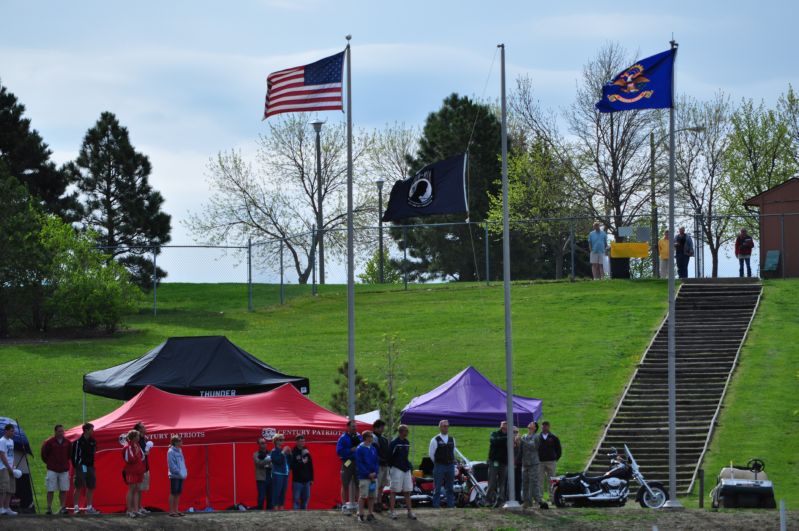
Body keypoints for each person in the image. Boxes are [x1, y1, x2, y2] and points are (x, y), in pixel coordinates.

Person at [387, 424, 417, 520]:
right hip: (396, 469)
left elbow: (405, 456)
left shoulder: (407, 442)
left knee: (407, 491)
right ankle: (392, 511)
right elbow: (389, 457)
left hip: (406, 469)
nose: (407, 432)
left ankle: (409, 512)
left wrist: (409, 467)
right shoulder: (394, 443)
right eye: (406, 431)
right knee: (394, 490)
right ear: (401, 432)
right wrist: (393, 467)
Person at [41, 424, 72, 515]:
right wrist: (50, 463)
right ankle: (49, 507)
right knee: (50, 489)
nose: (61, 433)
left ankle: (62, 507)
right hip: (52, 469)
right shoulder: (49, 442)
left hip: (64, 470)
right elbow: (44, 455)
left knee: (63, 489)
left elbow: (69, 454)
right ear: (55, 432)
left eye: (62, 431)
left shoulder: (68, 442)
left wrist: (64, 463)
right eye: (59, 431)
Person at [71, 422, 100, 514]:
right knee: (79, 485)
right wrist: (77, 466)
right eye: (92, 429)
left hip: (90, 466)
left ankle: (89, 507)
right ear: (86, 430)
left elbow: (94, 452)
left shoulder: (93, 441)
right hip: (81, 466)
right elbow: (74, 456)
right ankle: (76, 506)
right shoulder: (78, 442)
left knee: (91, 486)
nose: (93, 431)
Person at [428, 419, 456, 509]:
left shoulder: (452, 439)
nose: (446, 428)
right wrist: (438, 463)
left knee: (450, 487)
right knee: (437, 488)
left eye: (447, 426)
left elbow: (453, 452)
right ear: (440, 427)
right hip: (439, 465)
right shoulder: (434, 440)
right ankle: (436, 506)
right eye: (444, 426)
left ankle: (450, 505)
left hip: (450, 465)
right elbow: (431, 454)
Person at [335, 419, 361, 514]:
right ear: (348, 427)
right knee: (345, 484)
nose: (355, 428)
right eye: (353, 426)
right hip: (347, 462)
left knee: (359, 484)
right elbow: (338, 451)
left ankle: (359, 505)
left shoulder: (359, 436)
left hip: (358, 463)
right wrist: (350, 450)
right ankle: (344, 505)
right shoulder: (343, 438)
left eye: (355, 426)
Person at [520, 421, 548, 509]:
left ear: (535, 428)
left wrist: (521, 440)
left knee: (534, 482)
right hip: (525, 463)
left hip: (533, 463)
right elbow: (521, 449)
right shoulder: (524, 436)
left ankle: (538, 500)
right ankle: (526, 501)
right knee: (525, 482)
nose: (530, 424)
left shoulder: (536, 436)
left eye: (532, 423)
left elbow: (533, 446)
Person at [354, 430, 379, 522]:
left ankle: (370, 513)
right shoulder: (359, 449)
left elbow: (376, 462)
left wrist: (375, 473)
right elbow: (359, 463)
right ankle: (360, 514)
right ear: (366, 438)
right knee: (363, 496)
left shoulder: (373, 448)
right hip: (364, 477)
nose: (372, 438)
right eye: (371, 436)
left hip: (373, 477)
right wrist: (368, 473)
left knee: (372, 496)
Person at [122, 430, 146, 518]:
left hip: (139, 470)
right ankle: (129, 510)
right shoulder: (127, 447)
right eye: (137, 436)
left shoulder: (137, 445)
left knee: (137, 489)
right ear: (133, 437)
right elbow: (129, 459)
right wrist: (136, 455)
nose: (139, 437)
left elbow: (142, 456)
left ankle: (136, 510)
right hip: (131, 471)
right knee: (131, 489)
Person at [537, 421, 562, 503]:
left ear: (549, 427)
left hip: (551, 462)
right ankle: (539, 498)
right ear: (541, 427)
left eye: (546, 426)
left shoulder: (554, 437)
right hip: (540, 462)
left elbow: (559, 450)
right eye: (543, 426)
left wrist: (555, 459)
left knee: (553, 480)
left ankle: (553, 497)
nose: (544, 427)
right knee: (539, 480)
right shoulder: (537, 437)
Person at [486, 421, 508, 507]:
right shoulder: (494, 434)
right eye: (503, 427)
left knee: (502, 483)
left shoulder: (508, 436)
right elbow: (494, 441)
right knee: (492, 482)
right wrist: (506, 438)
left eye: (506, 427)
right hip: (494, 461)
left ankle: (500, 501)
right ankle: (488, 500)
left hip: (503, 462)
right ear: (501, 426)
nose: (504, 428)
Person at [290, 435, 313, 510]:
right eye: (301, 441)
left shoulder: (306, 452)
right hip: (297, 481)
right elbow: (292, 466)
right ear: (296, 442)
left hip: (306, 480)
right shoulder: (293, 452)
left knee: (305, 500)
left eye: (303, 441)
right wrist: (302, 462)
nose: (303, 443)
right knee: (296, 500)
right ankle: (295, 516)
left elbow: (310, 466)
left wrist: (312, 478)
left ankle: (304, 517)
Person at [371, 419, 390, 513]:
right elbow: (374, 453)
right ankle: (374, 504)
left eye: (383, 427)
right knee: (376, 485)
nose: (383, 429)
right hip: (377, 465)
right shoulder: (373, 437)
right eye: (381, 427)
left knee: (382, 486)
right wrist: (381, 460)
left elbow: (387, 452)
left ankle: (379, 502)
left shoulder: (384, 439)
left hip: (385, 465)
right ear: (376, 428)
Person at [133, 422, 152, 515]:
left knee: (141, 489)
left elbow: (145, 452)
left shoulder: (144, 438)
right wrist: (145, 452)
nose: (145, 428)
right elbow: (138, 454)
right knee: (137, 489)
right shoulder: (138, 440)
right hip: (139, 468)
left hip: (145, 467)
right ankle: (135, 509)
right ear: (139, 429)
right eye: (143, 427)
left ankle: (139, 507)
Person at [167, 435, 187, 517]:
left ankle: (176, 510)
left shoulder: (180, 450)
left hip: (180, 475)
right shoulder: (170, 451)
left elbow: (182, 462)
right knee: (173, 493)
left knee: (178, 493)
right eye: (180, 441)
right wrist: (178, 472)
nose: (181, 442)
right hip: (174, 475)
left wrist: (184, 471)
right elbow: (172, 465)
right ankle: (171, 511)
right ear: (175, 442)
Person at [269, 434, 291, 510]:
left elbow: (289, 462)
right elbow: (277, 461)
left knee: (283, 492)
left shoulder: (282, 451)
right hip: (277, 473)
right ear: (276, 441)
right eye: (281, 440)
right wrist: (283, 453)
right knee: (276, 491)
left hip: (285, 473)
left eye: (283, 439)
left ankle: (281, 507)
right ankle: (275, 508)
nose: (283, 441)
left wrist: (289, 453)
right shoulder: (274, 451)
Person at [0, 424, 17, 516]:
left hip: (11, 468)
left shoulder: (11, 441)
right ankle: (1, 507)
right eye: (11, 431)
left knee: (11, 488)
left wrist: (13, 466)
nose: (12, 433)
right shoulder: (2, 441)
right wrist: (8, 467)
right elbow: (2, 455)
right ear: (6, 431)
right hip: (3, 467)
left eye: (13, 431)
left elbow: (12, 455)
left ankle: (7, 507)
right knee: (4, 488)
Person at [253, 437, 272, 510]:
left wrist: (266, 462)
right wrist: (268, 460)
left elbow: (273, 464)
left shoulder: (270, 453)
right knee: (261, 497)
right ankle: (259, 513)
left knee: (270, 498)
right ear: (258, 444)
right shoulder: (255, 454)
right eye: (262, 443)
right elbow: (258, 464)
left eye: (265, 443)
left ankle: (269, 514)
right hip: (261, 478)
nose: (264, 444)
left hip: (270, 478)